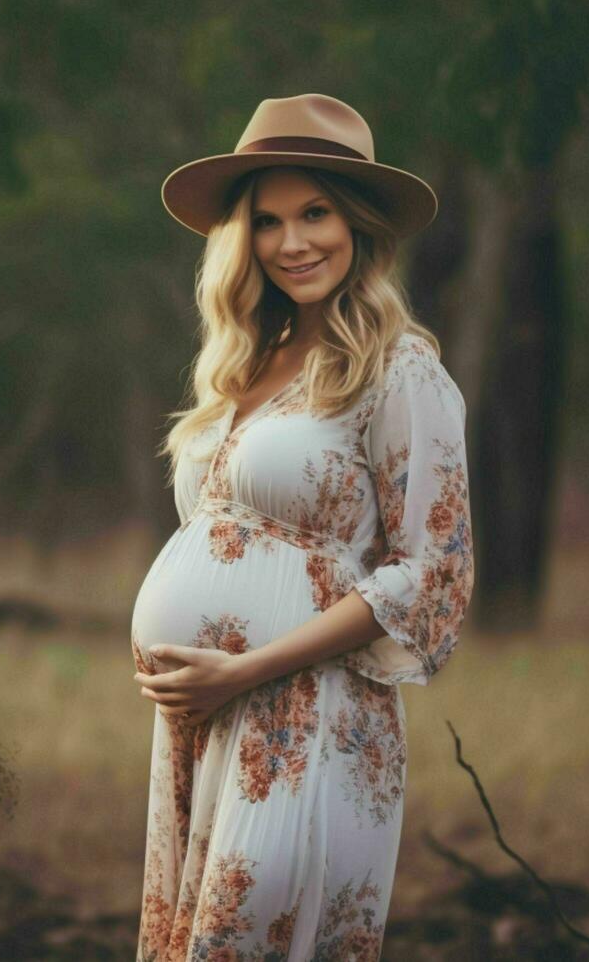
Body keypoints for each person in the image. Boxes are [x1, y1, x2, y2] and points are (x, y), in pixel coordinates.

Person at [130, 92, 474, 961]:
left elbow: (430, 569)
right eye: (269, 220)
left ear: (358, 224)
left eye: (315, 212)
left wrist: (246, 669)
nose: (293, 241)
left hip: (308, 720)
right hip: (199, 728)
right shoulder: (242, 361)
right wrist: (212, 686)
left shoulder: (401, 371)